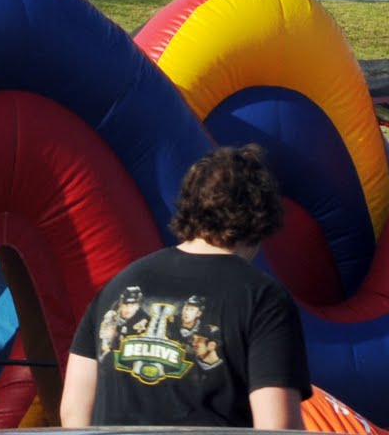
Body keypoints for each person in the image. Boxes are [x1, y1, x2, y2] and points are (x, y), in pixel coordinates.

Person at [60, 143, 311, 429]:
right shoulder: (263, 298)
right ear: (262, 216)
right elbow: (278, 426)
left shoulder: (118, 287)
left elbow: (73, 412)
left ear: (190, 205)